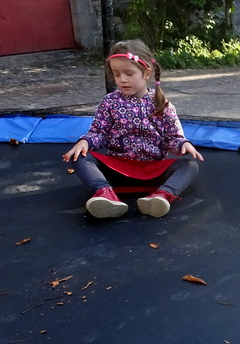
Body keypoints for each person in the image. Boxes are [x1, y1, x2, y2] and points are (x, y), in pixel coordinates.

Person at [63, 39, 203, 219]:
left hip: (153, 172)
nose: (122, 79)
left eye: (129, 73)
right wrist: (85, 141)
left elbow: (173, 138)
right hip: (118, 170)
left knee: (190, 165)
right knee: (81, 158)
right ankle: (105, 194)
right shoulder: (110, 102)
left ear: (146, 73)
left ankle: (162, 196)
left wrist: (183, 144)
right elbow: (99, 134)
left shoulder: (162, 104)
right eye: (116, 74)